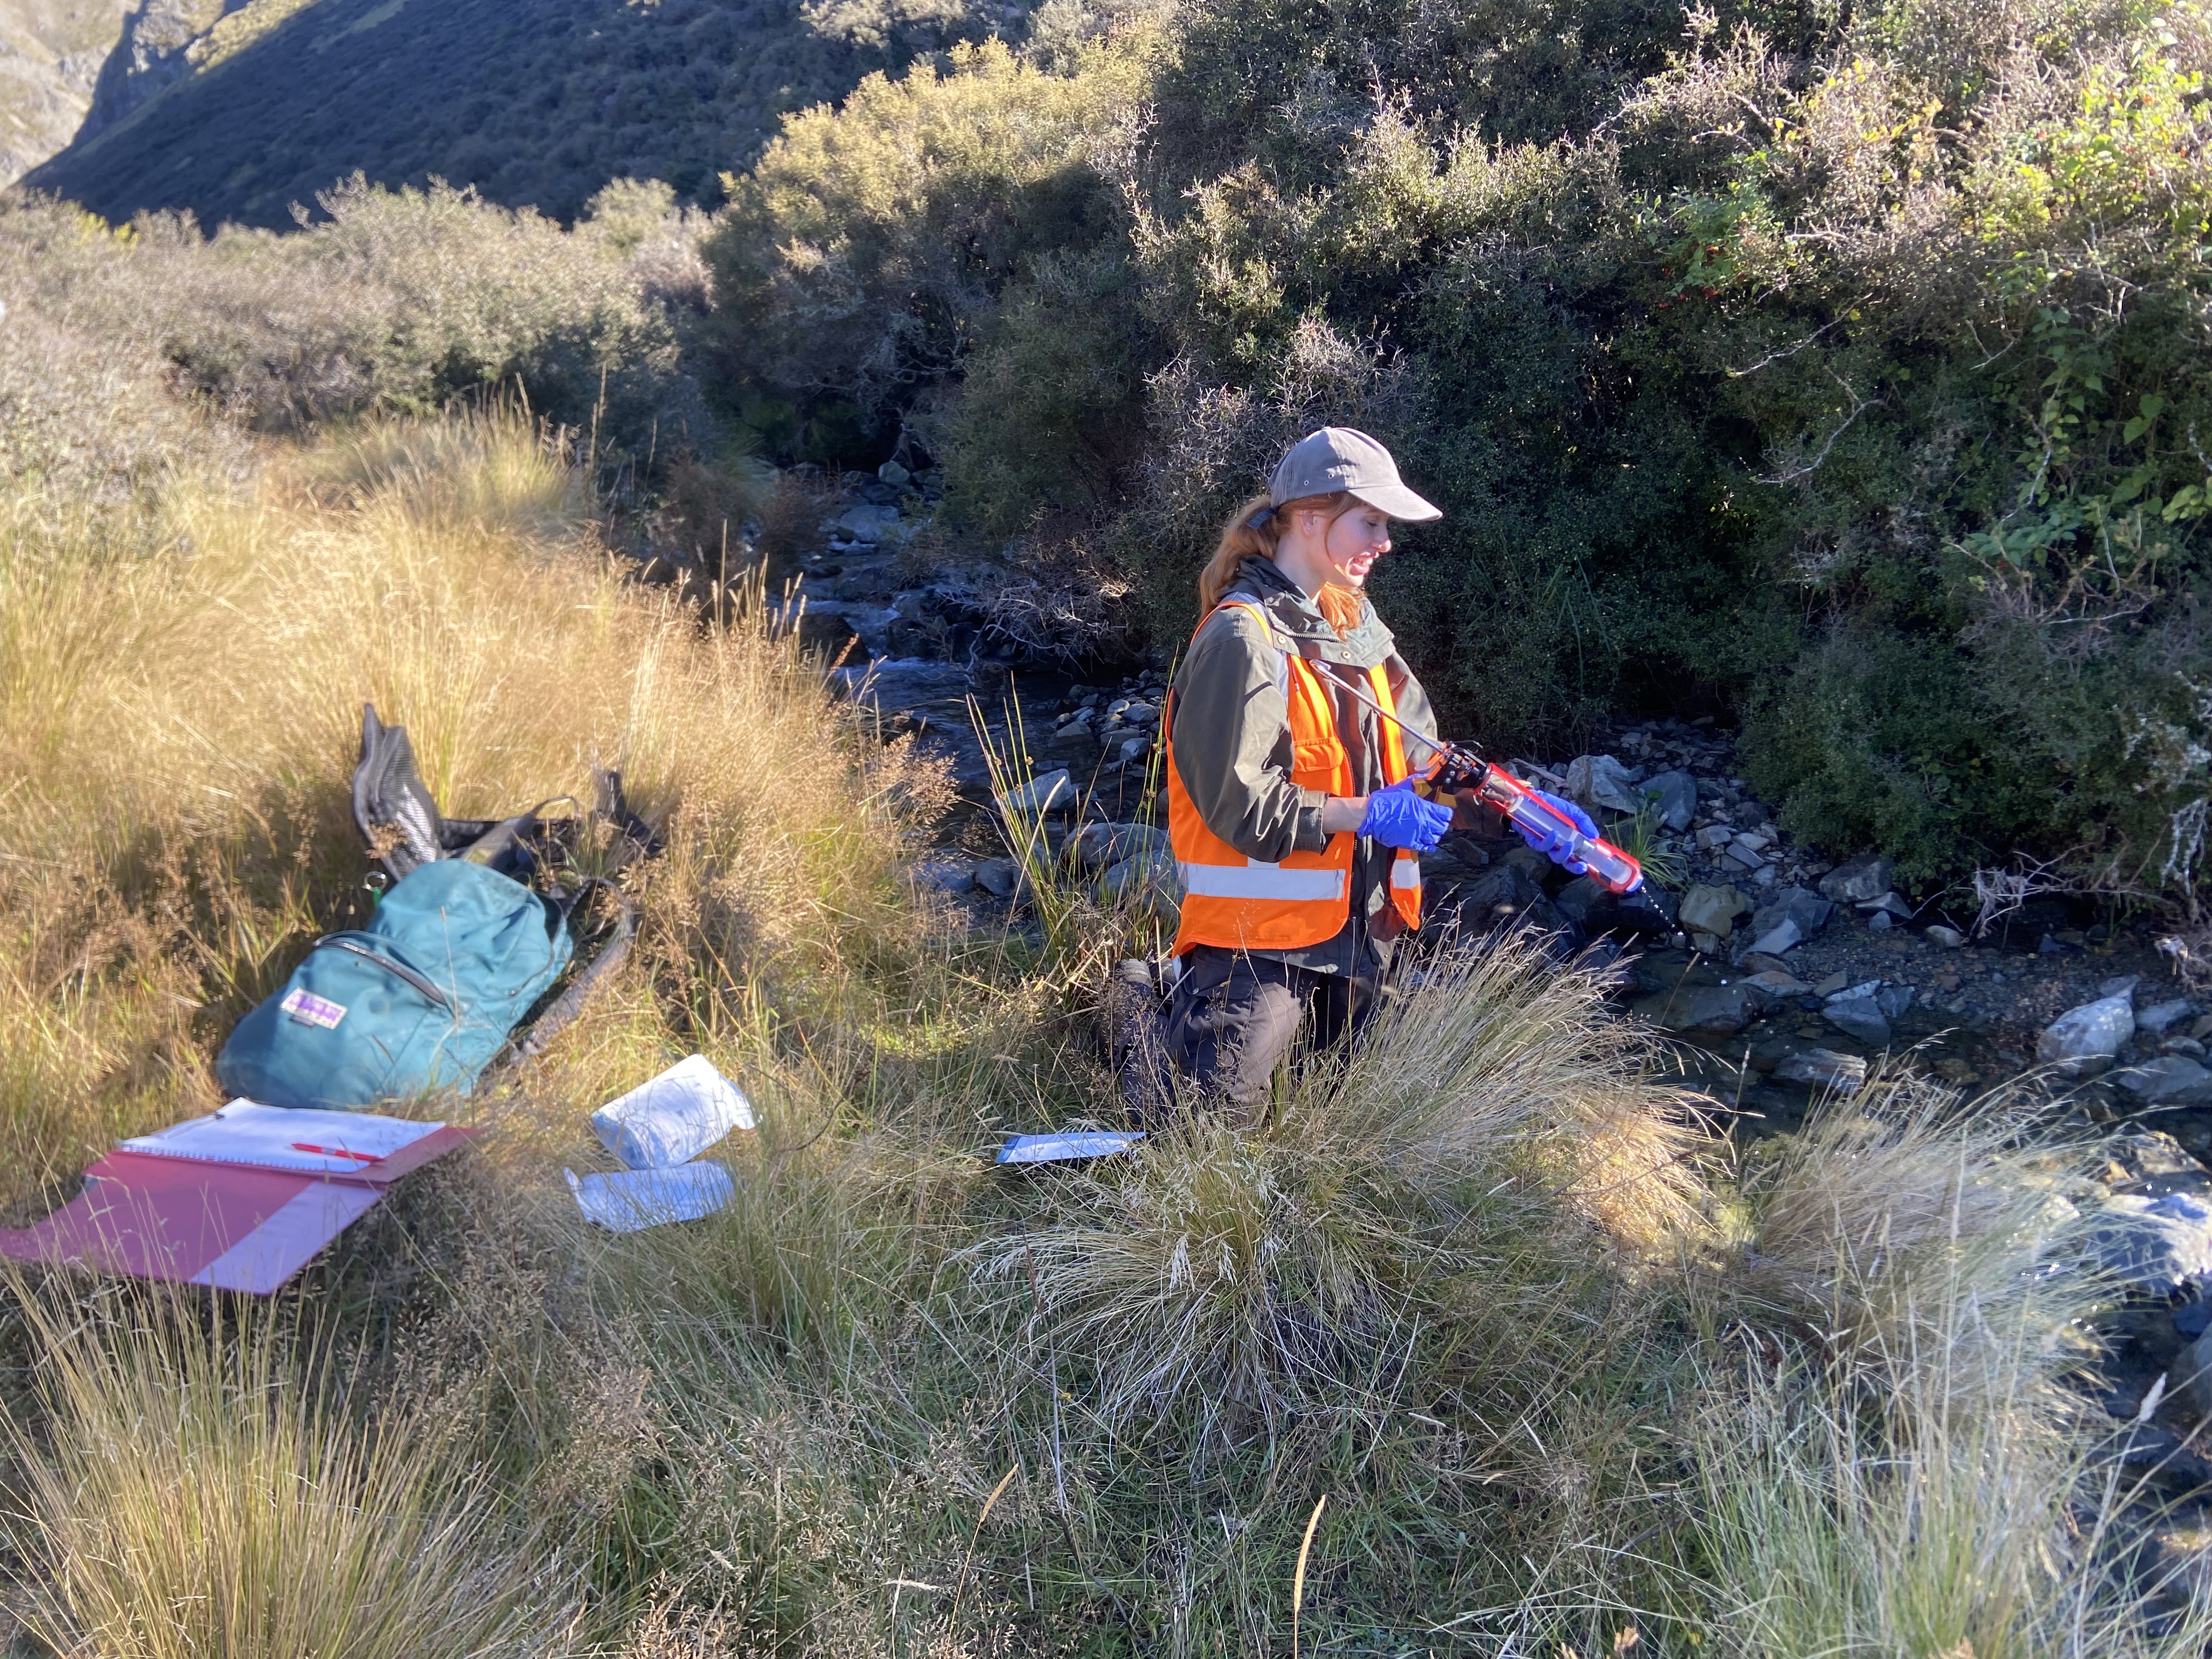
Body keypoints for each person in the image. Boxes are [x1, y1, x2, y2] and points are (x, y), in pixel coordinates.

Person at [1153, 427, 1596, 1118]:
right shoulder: (1243, 637)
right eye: (1371, 522)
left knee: (1339, 1122)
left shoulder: (1357, 628)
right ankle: (1153, 1009)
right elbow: (1238, 806)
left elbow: (1420, 761)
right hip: (1256, 949)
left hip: (1363, 938)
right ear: (1308, 518)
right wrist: (1362, 814)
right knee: (1214, 1134)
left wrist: (1522, 809)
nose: (1385, 542)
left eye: (1386, 525)